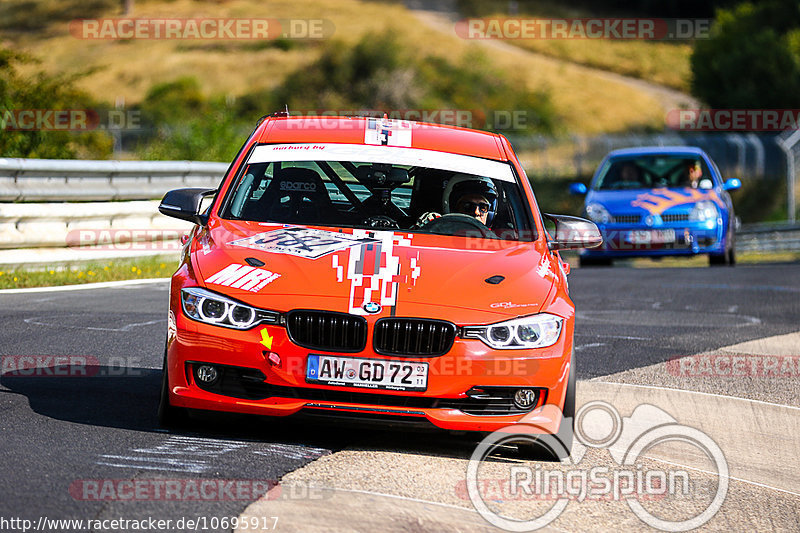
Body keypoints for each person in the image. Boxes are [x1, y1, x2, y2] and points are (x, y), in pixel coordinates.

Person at [416, 175, 498, 227]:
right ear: (453, 207)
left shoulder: (498, 240)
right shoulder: (436, 224)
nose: (476, 212)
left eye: (483, 207)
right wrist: (429, 226)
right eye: (467, 206)